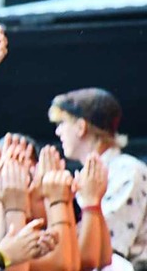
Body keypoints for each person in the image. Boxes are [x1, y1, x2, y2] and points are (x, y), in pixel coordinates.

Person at [49, 87, 147, 265]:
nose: (58, 132)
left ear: (81, 127)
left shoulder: (128, 171)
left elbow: (106, 248)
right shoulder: (84, 176)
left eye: (62, 123)